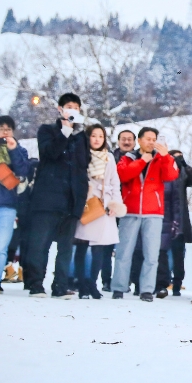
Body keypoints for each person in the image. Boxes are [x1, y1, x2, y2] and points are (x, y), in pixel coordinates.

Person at [25, 93, 89, 298]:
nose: (73, 110)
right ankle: (36, 284)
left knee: (65, 248)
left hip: (71, 200)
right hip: (47, 199)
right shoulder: (47, 130)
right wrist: (64, 132)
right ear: (60, 109)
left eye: (76, 107)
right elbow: (49, 153)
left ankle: (60, 286)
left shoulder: (82, 137)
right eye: (69, 106)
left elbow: (82, 168)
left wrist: (80, 200)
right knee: (40, 244)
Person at [111, 126, 179, 302]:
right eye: (147, 139)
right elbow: (123, 175)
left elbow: (172, 175)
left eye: (153, 139)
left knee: (151, 253)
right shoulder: (128, 158)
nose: (151, 142)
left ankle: (147, 289)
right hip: (130, 210)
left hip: (153, 212)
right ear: (139, 140)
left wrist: (166, 156)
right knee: (124, 252)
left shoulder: (161, 158)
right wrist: (142, 161)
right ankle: (119, 287)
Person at [71, 124, 126, 299]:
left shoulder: (109, 157)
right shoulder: (80, 155)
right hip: (86, 205)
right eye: (93, 136)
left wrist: (114, 204)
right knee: (82, 245)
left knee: (99, 249)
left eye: (100, 136)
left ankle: (92, 283)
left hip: (103, 205)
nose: (97, 139)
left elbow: (115, 182)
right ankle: (81, 284)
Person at [0, 116, 29, 295]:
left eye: (9, 129)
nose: (5, 132)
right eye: (1, 129)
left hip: (7, 206)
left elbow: (23, 171)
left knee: (0, 248)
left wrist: (14, 151)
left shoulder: (19, 150)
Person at [155, 150, 192, 298]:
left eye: (180, 156)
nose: (177, 159)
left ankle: (177, 285)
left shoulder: (182, 173)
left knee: (179, 255)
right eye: (174, 156)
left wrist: (184, 165)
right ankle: (162, 283)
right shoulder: (163, 171)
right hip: (164, 218)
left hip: (181, 220)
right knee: (163, 253)